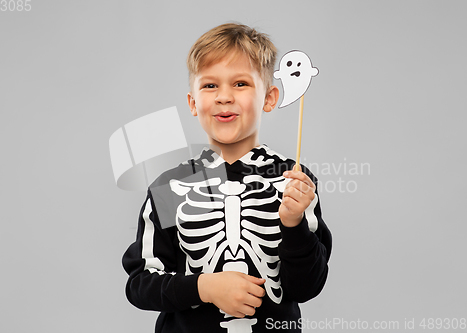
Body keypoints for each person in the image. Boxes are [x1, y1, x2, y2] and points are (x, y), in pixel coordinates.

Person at [122, 23, 332, 333]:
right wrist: (203, 287)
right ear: (193, 103)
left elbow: (307, 287)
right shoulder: (170, 187)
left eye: (240, 84)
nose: (224, 97)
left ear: (270, 98)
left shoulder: (293, 182)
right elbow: (141, 284)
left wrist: (293, 224)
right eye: (209, 86)